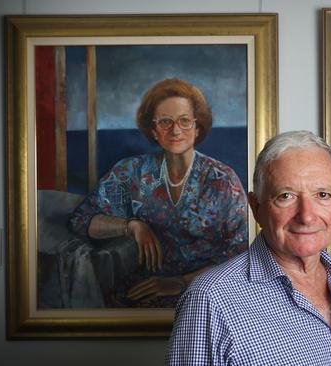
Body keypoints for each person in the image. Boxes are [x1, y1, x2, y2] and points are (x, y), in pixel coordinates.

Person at [165, 131, 331, 365]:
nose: (306, 216)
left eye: (322, 195)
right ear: (256, 207)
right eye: (286, 196)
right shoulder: (210, 299)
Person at [68, 78, 248, 308]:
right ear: (153, 130)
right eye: (165, 122)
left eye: (184, 121)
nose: (175, 130)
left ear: (197, 127)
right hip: (140, 290)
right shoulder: (132, 171)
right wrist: (131, 226)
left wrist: (181, 282)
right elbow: (81, 220)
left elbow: (243, 253)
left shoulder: (222, 180)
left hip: (205, 293)